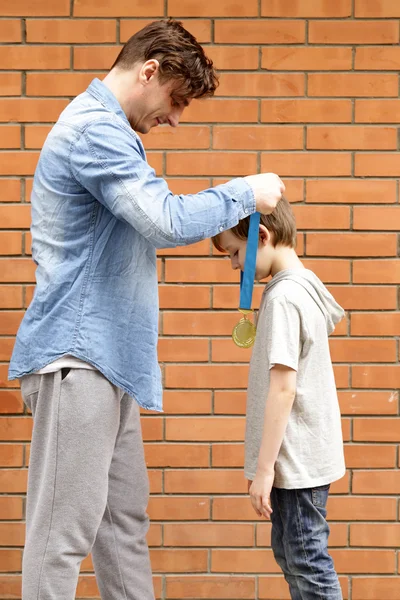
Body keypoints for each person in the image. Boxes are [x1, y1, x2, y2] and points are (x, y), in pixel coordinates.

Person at [8, 18, 285, 600]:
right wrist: (245, 193)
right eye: (175, 101)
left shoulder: (113, 135)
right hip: (79, 358)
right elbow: (163, 220)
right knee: (62, 537)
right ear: (149, 70)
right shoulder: (94, 130)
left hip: (112, 367)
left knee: (123, 528)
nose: (176, 119)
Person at [212, 197, 346, 600]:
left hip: (294, 462)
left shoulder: (285, 298)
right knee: (294, 557)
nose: (234, 265)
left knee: (307, 562)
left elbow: (284, 388)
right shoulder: (301, 287)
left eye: (234, 253)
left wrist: (264, 469)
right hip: (299, 459)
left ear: (262, 237)